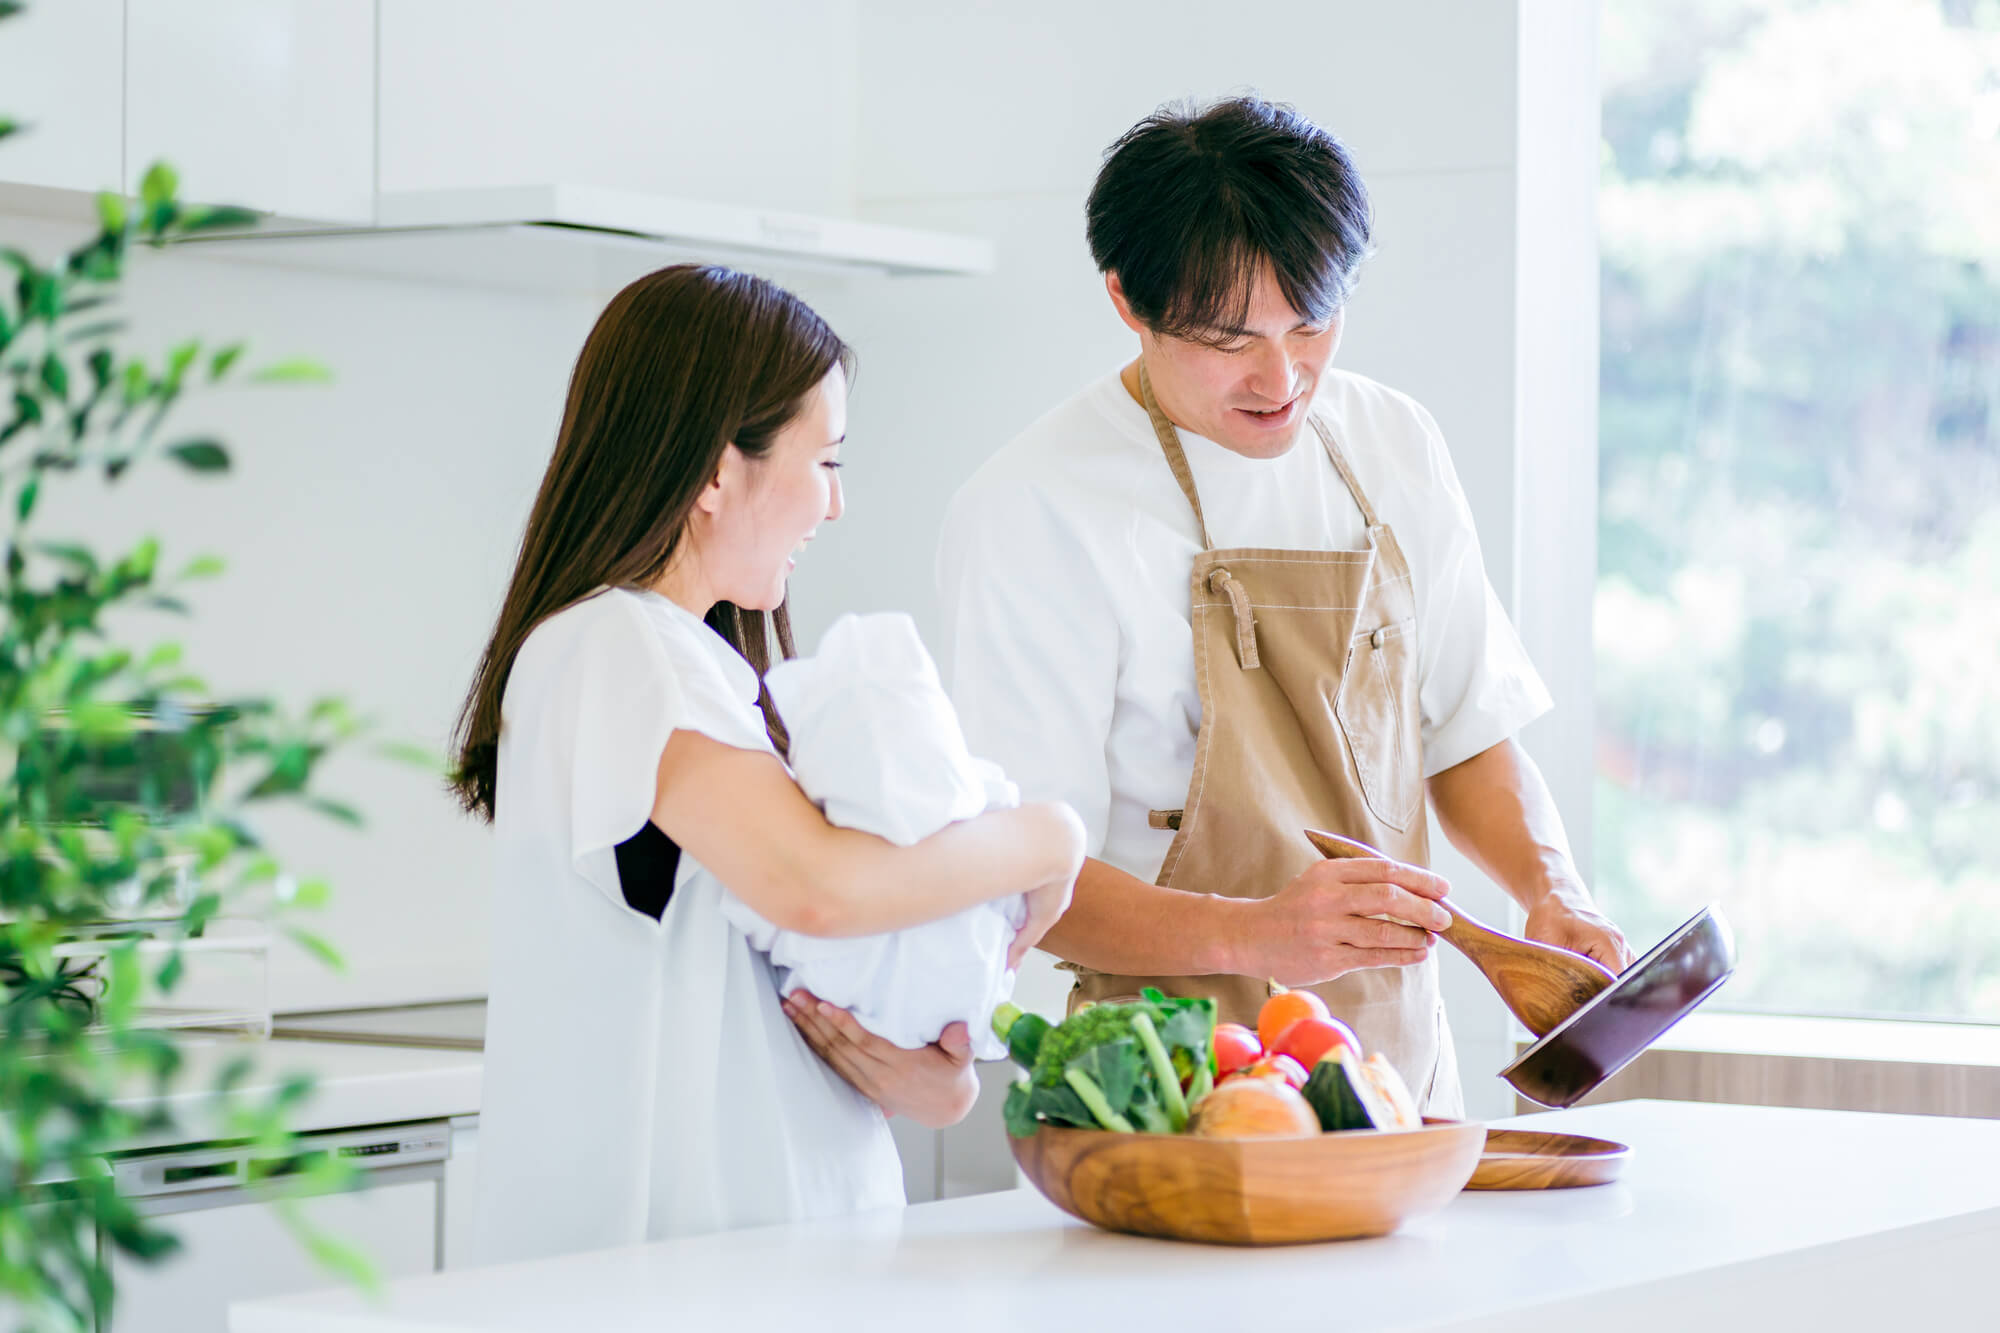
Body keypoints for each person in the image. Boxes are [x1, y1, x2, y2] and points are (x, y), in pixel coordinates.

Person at [937, 96, 1632, 1118]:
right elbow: (1023, 882)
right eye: (1229, 340)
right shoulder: (1032, 505)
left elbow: (1462, 727)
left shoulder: (1391, 441)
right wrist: (1255, 935)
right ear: (1126, 301)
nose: (1281, 376)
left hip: (1396, 1075)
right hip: (1170, 1085)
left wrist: (1550, 892)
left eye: (1312, 321)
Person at [450, 264, 1084, 1262]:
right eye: (824, 459)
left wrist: (932, 1078)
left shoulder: (707, 667)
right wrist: (1049, 834)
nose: (835, 505)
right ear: (714, 469)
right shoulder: (615, 646)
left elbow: (818, 963)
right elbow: (817, 889)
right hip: (667, 1275)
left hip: (792, 1256)